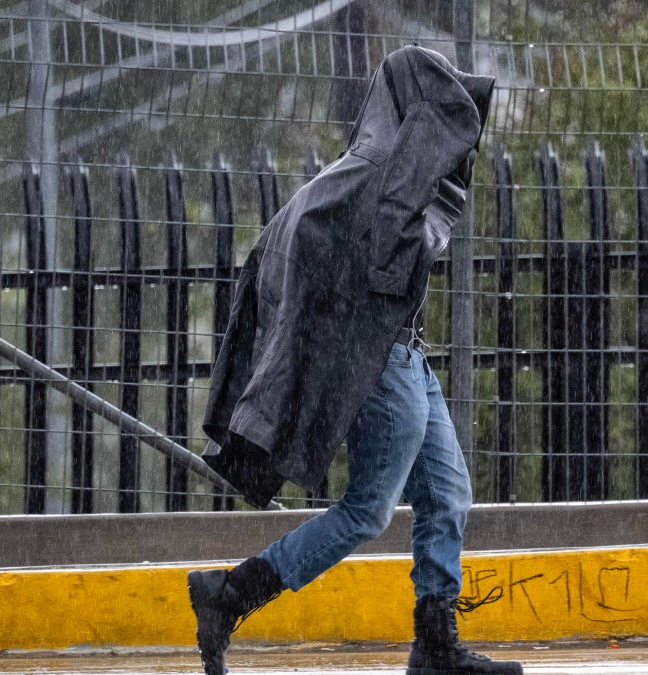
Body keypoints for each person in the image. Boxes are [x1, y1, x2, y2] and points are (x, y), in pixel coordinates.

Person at [188, 44, 519, 675]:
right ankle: (230, 595)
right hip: (382, 366)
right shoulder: (368, 176)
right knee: (368, 509)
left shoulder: (370, 172)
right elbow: (315, 270)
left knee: (448, 493)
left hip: (407, 360)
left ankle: (436, 646)